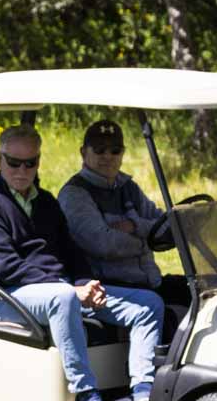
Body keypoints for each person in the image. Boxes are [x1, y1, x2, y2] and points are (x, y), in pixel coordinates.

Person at [0, 125, 166, 401]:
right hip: (6, 296)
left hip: (57, 293)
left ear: (38, 162)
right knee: (64, 297)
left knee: (148, 304)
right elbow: (6, 268)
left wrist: (85, 283)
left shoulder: (45, 202)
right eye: (13, 163)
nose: (22, 171)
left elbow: (71, 253)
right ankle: (87, 396)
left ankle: (141, 395)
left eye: (30, 163)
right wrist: (70, 288)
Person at [56, 118, 171, 296]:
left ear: (123, 153)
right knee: (163, 306)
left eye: (115, 150)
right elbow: (105, 244)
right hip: (106, 289)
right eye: (99, 150)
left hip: (149, 282)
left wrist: (135, 226)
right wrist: (146, 242)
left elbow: (166, 226)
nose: (108, 156)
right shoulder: (74, 194)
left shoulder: (128, 187)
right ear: (83, 152)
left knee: (202, 292)